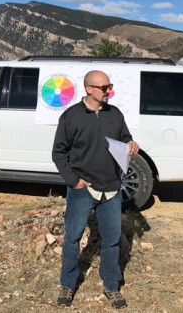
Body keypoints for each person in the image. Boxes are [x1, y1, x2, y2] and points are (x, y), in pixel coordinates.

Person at [52, 70, 139, 309]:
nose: (109, 91)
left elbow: (126, 138)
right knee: (72, 237)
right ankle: (68, 283)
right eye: (104, 87)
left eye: (110, 86)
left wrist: (131, 144)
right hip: (83, 190)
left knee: (111, 240)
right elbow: (59, 153)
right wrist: (74, 181)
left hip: (111, 189)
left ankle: (111, 285)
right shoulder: (71, 117)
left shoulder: (115, 113)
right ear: (89, 89)